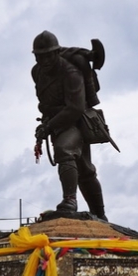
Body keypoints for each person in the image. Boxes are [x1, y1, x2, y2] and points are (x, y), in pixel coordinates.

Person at [32, 30, 107, 220]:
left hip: (76, 120)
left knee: (64, 149)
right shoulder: (37, 72)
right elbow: (45, 101)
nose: (45, 60)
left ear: (56, 53)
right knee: (84, 170)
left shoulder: (71, 73)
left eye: (49, 55)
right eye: (40, 56)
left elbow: (75, 108)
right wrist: (46, 124)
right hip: (56, 122)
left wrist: (49, 126)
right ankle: (100, 215)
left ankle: (70, 200)